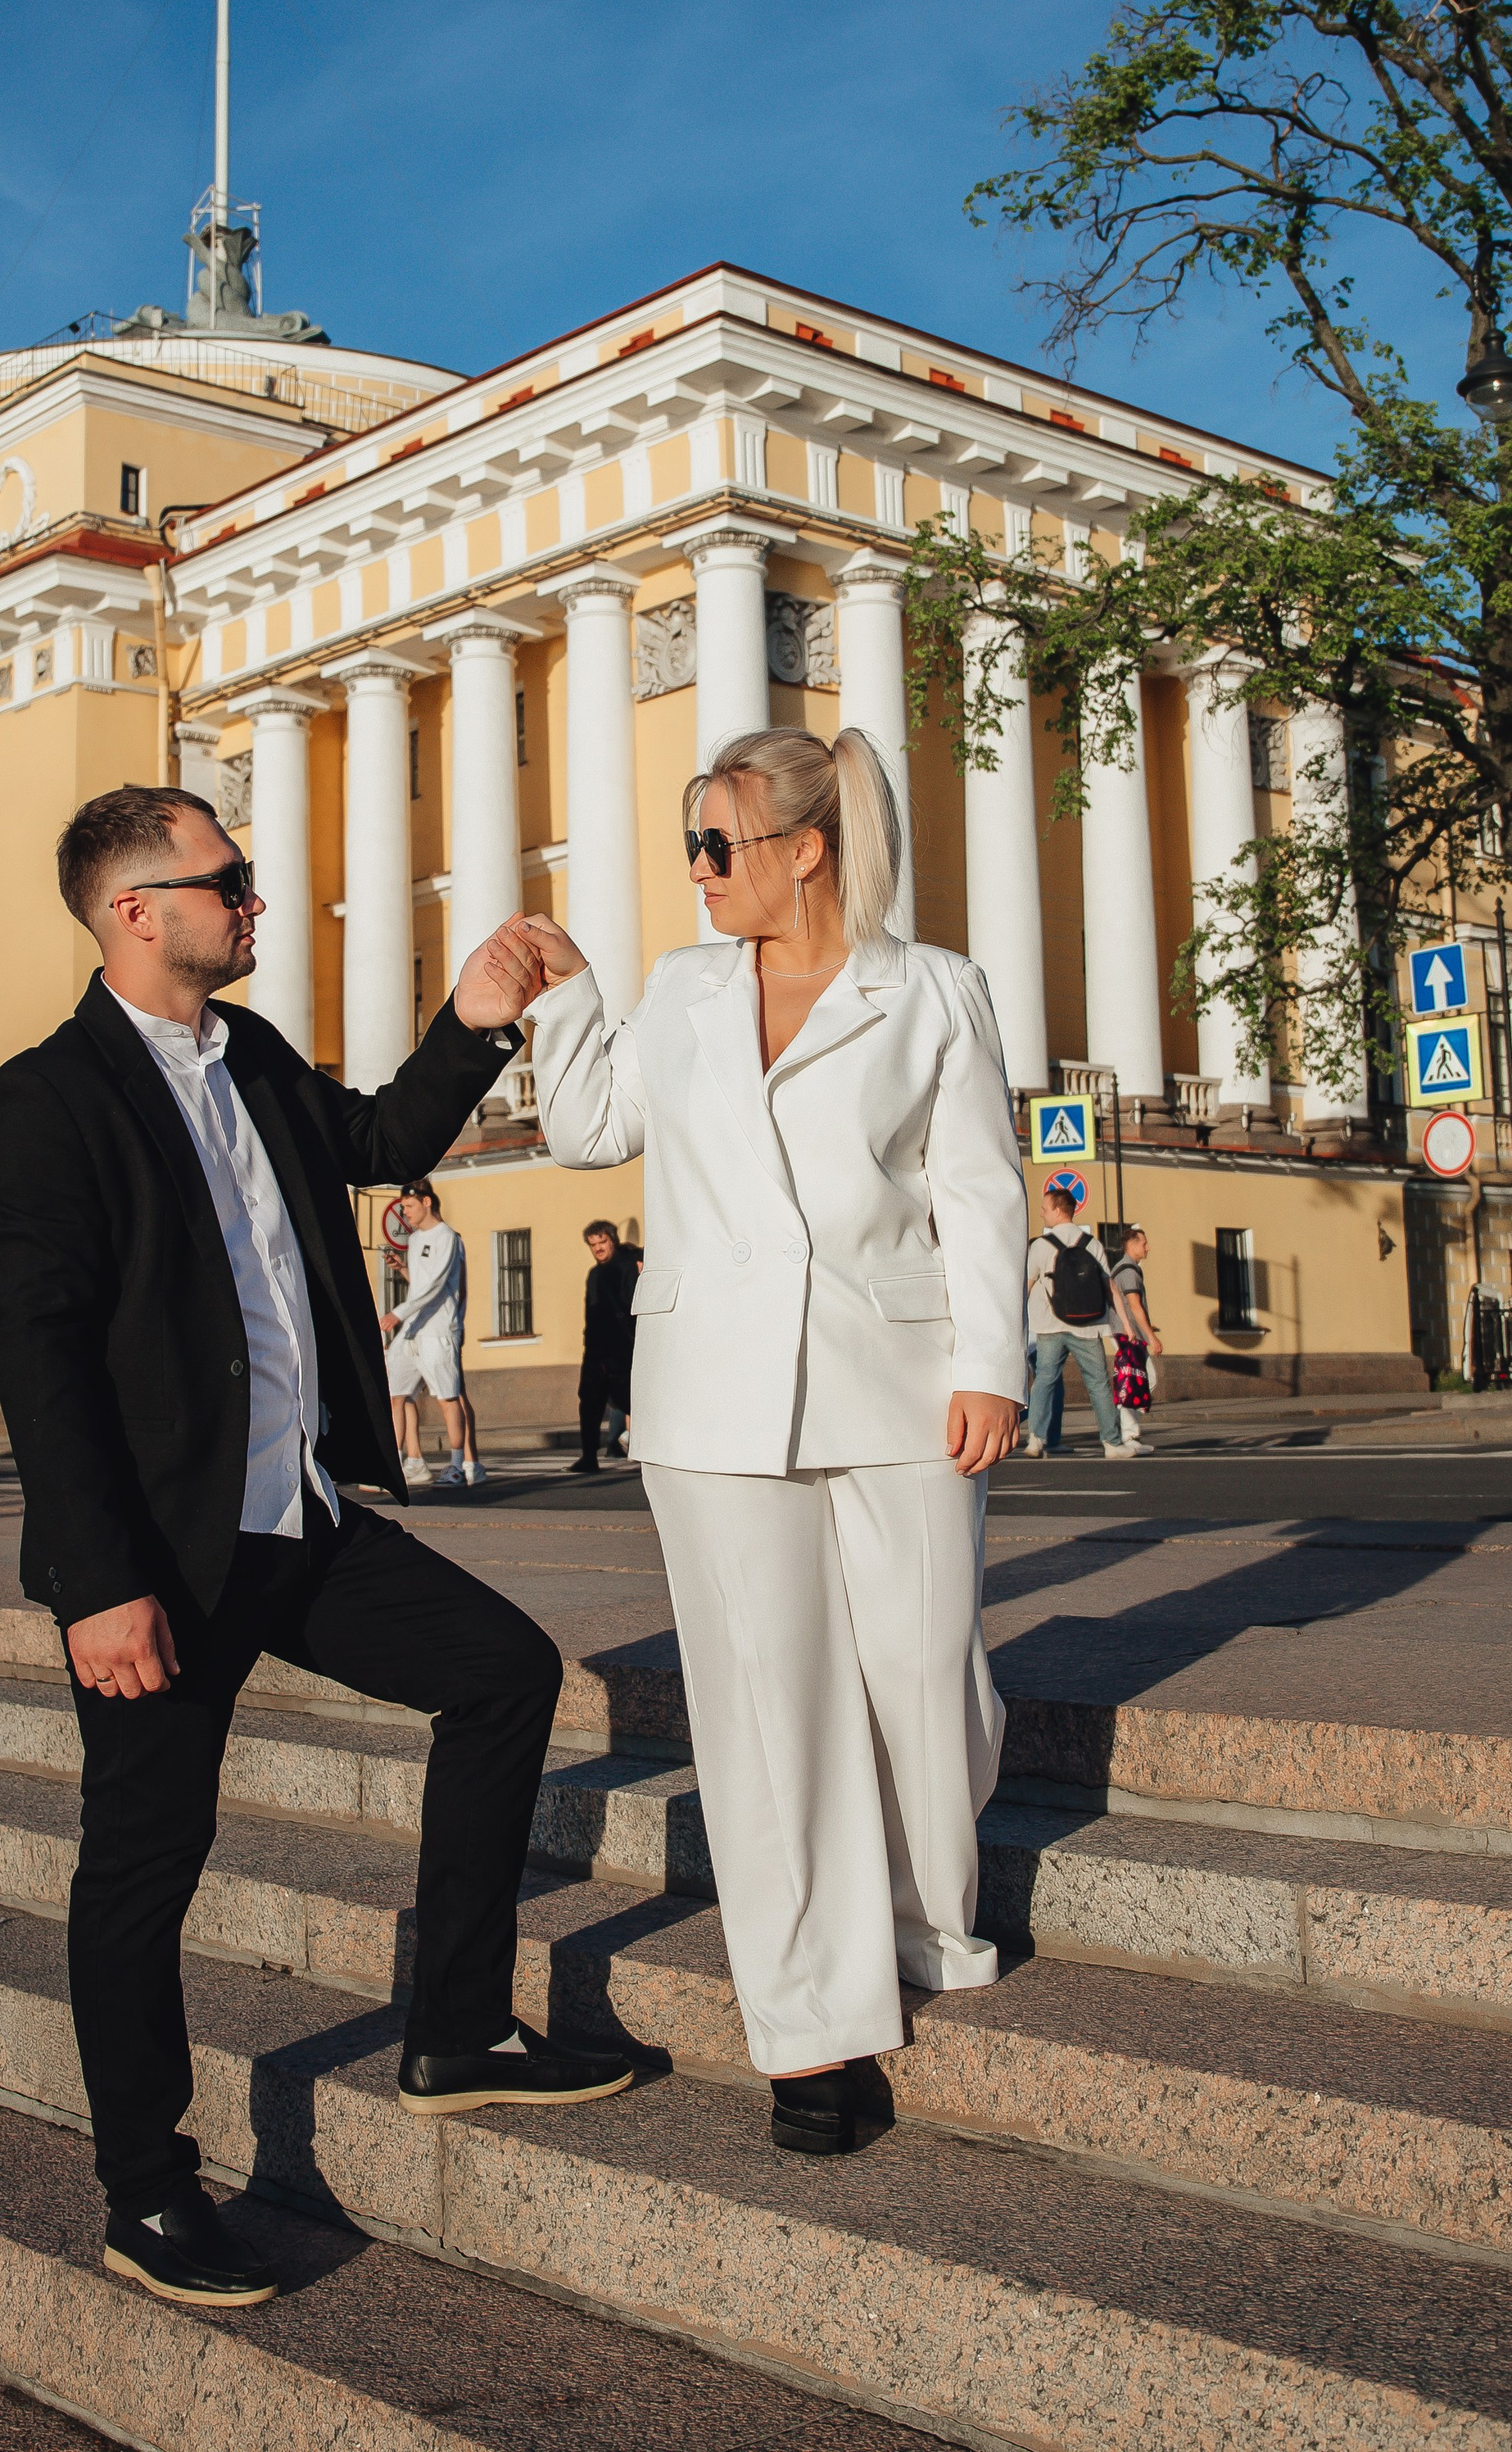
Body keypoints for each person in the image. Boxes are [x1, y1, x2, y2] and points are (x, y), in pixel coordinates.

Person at [0, 784, 630, 2318]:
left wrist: (472, 1019)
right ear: (137, 907)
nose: (256, 900)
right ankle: (145, 2188)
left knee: (502, 1674)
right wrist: (97, 1580)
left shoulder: (250, 1053)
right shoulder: (47, 1099)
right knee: (145, 1865)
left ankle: (456, 2032)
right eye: (232, 880)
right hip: (162, 1561)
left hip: (302, 1518)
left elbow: (382, 1137)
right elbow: (41, 1354)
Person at [486, 723, 1024, 2159]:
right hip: (713, 1394)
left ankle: (926, 1910)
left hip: (903, 1380)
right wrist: (567, 996)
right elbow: (592, 1128)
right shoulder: (679, 988)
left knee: (926, 1668)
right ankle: (813, 2027)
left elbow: (977, 1189)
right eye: (690, 846)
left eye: (719, 844)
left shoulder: (935, 992)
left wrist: (994, 1365)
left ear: (809, 847)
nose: (700, 872)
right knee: (766, 1715)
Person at [382, 1180, 482, 1487]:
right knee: (394, 1393)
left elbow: (438, 1285)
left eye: (409, 1207)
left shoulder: (448, 1238)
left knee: (447, 1398)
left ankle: (457, 1465)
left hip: (439, 1329)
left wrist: (397, 1313)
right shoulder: (413, 1241)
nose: (405, 1213)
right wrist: (402, 1269)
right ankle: (395, 1464)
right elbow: (421, 1285)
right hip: (414, 1329)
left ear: (426, 1202)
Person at [1023, 1181, 1124, 1461]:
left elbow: (1028, 1287)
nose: (1042, 1213)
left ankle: (1036, 1440)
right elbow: (1110, 1287)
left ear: (1058, 1210)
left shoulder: (1041, 1246)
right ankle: (1113, 1444)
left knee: (1044, 1381)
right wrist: (1124, 1327)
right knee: (1099, 1384)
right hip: (1089, 1326)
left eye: (1045, 1208)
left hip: (1049, 1326)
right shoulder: (1092, 1244)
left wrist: (1017, 1323)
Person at [570, 1218, 640, 1474]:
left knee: (631, 1401)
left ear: (613, 1240)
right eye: (593, 1244)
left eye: (602, 1242)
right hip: (598, 1349)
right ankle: (589, 1456)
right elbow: (592, 1312)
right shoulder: (595, 1274)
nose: (598, 1248)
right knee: (589, 1401)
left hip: (626, 1347)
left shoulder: (630, 1264)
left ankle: (654, 1453)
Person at [1105, 1221, 1164, 1457]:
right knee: (1140, 1380)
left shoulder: (1128, 1269)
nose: (1148, 1247)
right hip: (1126, 1334)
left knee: (1137, 1381)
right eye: (1144, 1243)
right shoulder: (1128, 1271)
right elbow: (1134, 1305)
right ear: (1132, 1245)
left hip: (1127, 1332)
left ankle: (1129, 1433)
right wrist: (1151, 1338)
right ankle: (1126, 1434)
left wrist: (1148, 1329)